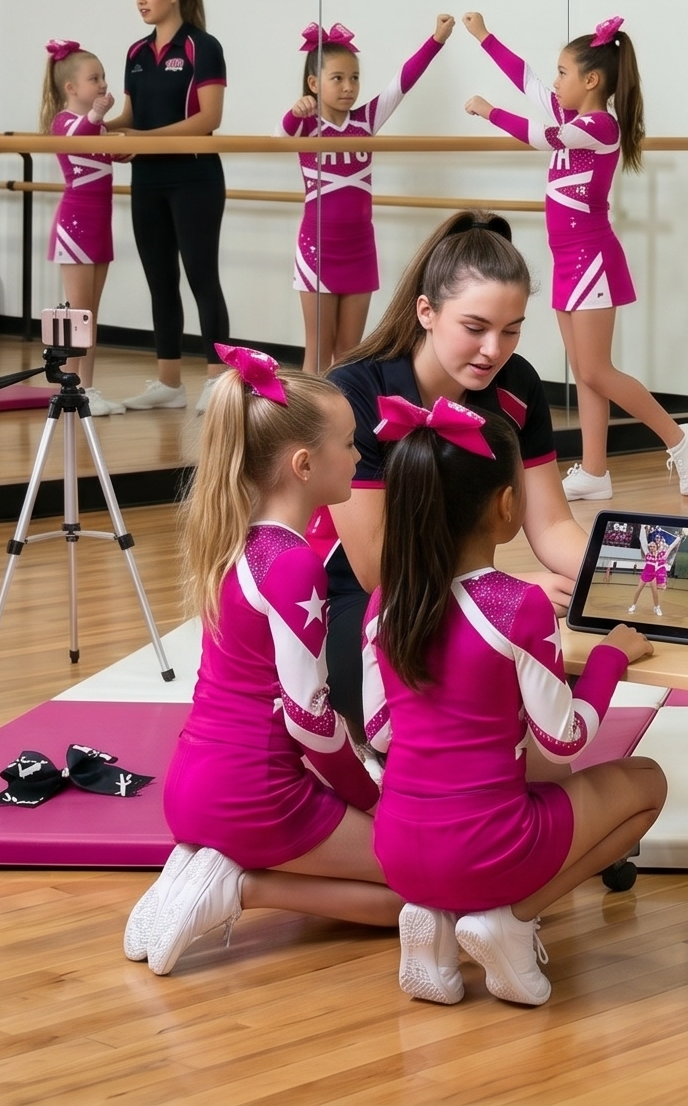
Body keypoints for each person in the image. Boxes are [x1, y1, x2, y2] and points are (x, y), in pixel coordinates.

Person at [362, 397, 665, 1007]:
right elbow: (564, 738)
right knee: (647, 782)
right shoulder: (516, 605)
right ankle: (510, 916)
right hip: (490, 846)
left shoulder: (385, 600)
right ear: (507, 505)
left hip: (396, 845)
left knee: (527, 794)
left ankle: (435, 920)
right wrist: (609, 658)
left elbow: (380, 729)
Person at [129, 345, 401, 978]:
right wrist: (368, 796)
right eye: (349, 444)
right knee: (423, 885)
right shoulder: (294, 562)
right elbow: (309, 721)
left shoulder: (237, 541)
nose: (359, 456)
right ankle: (237, 885)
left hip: (193, 783)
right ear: (305, 465)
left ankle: (207, 864)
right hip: (255, 796)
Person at [320, 212, 583, 730]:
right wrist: (500, 589)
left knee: (549, 673)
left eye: (511, 331)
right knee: (431, 698)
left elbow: (552, 526)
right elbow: (376, 566)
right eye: (475, 328)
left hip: (457, 586)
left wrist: (626, 578)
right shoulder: (356, 389)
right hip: (363, 595)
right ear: (426, 311)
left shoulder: (518, 386)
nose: (494, 350)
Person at [464, 12, 688, 502]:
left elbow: (543, 137)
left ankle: (680, 438)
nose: (554, 82)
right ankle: (595, 472)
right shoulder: (571, 114)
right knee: (584, 369)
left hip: (592, 257)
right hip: (568, 259)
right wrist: (484, 36)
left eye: (563, 73)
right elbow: (527, 81)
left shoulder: (599, 126)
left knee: (596, 370)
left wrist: (489, 111)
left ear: (591, 80)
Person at [285, 17, 454, 374]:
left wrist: (436, 39)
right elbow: (277, 137)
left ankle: (346, 424)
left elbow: (402, 82)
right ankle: (307, 425)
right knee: (317, 352)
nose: (348, 87)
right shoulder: (305, 126)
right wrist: (295, 111)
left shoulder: (366, 120)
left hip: (360, 248)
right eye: (337, 78)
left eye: (354, 78)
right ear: (314, 83)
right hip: (318, 248)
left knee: (350, 352)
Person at [109, 0, 227, 411]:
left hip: (194, 176)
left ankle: (218, 381)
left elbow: (208, 119)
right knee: (160, 281)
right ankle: (170, 383)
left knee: (202, 277)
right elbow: (131, 118)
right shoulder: (136, 53)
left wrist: (140, 141)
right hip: (148, 179)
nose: (141, 0)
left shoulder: (203, 45)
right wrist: (96, 125)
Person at [39, 38, 125, 412]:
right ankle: (71, 388)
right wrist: (97, 119)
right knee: (79, 312)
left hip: (98, 223)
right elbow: (79, 137)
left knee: (92, 312)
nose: (103, 84)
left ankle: (87, 388)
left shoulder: (96, 126)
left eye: (104, 77)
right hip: (75, 225)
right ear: (71, 88)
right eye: (95, 79)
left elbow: (109, 149)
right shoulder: (65, 121)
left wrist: (123, 144)